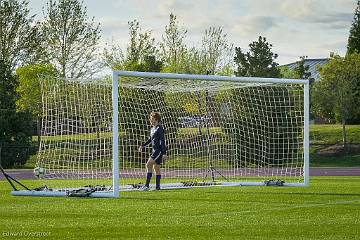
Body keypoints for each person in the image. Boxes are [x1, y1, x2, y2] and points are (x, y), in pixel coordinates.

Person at [138, 112, 167, 190]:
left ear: (156, 119)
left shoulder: (159, 129)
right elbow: (150, 140)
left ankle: (146, 186)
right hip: (154, 150)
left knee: (148, 164)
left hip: (158, 151)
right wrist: (142, 145)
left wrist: (164, 153)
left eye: (152, 119)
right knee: (156, 168)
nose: (151, 120)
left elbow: (162, 141)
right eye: (150, 119)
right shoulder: (152, 129)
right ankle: (157, 187)